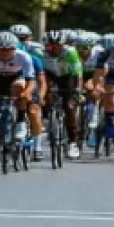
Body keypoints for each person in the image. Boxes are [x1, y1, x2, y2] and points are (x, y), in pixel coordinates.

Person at [0, 32, 36, 166]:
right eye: (0, 50)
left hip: (16, 78)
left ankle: (21, 121)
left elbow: (31, 81)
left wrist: (27, 93)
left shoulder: (23, 57)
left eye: (8, 50)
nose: (4, 53)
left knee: (20, 90)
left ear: (14, 48)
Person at [39, 30, 84, 159]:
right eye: (50, 46)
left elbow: (77, 74)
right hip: (49, 75)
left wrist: (77, 90)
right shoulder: (40, 53)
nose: (53, 49)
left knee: (69, 106)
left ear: (63, 45)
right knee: (43, 94)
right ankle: (46, 119)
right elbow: (39, 75)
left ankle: (73, 142)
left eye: (57, 46)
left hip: (67, 77)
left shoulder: (70, 52)